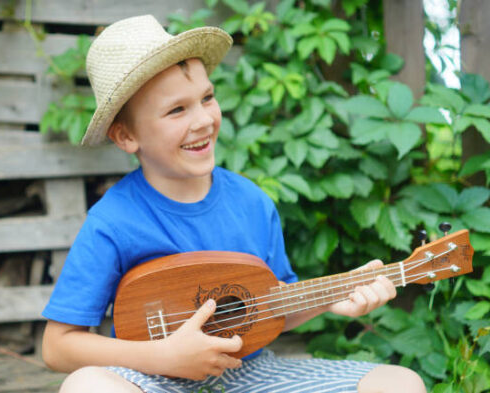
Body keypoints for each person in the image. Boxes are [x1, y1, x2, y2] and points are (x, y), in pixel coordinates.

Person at [41, 15, 427, 393]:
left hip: (249, 374)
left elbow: (272, 306)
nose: (203, 120)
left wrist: (333, 297)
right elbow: (57, 345)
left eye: (207, 98)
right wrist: (165, 356)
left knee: (401, 384)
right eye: (177, 110)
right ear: (125, 135)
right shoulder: (112, 220)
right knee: (86, 386)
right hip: (149, 377)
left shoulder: (252, 202)